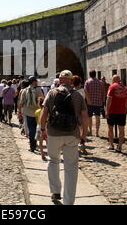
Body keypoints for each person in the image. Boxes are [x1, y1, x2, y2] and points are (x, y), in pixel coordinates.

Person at [40, 70, 88, 205]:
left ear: (59, 80)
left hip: (54, 133)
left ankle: (55, 191)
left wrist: (43, 130)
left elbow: (44, 114)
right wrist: (83, 134)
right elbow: (85, 116)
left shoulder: (52, 93)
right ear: (71, 81)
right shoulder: (78, 96)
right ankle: (69, 201)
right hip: (72, 134)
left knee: (53, 160)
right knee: (71, 167)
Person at [18, 77, 43, 152]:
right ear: (34, 82)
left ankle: (32, 146)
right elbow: (42, 100)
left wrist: (19, 112)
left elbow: (21, 102)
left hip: (28, 112)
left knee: (31, 128)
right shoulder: (38, 90)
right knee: (36, 128)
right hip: (37, 112)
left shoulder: (25, 90)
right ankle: (35, 145)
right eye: (36, 81)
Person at [106, 75, 127, 152]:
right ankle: (119, 146)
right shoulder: (125, 88)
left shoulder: (112, 87)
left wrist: (107, 110)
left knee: (110, 128)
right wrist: (125, 108)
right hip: (122, 111)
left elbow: (109, 99)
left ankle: (111, 145)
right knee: (121, 129)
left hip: (112, 111)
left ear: (113, 80)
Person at [84, 70, 105, 137]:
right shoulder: (100, 83)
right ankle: (97, 132)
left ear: (90, 75)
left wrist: (87, 101)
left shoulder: (87, 82)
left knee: (89, 117)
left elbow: (86, 92)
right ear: (95, 74)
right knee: (98, 117)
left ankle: (90, 131)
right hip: (98, 102)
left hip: (90, 102)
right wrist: (103, 101)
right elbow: (103, 93)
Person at [35, 97, 48, 161]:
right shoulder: (47, 112)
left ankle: (42, 154)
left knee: (40, 142)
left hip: (39, 126)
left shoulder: (37, 111)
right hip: (46, 126)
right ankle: (50, 153)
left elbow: (37, 121)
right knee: (48, 141)